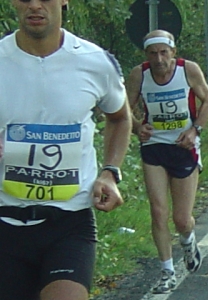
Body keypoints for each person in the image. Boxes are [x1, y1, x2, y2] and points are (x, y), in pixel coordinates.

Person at [0, 0, 132, 300]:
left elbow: (121, 117)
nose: (35, 5)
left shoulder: (95, 61)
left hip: (69, 221)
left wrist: (110, 172)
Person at [127, 29, 208, 294]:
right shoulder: (138, 75)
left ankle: (188, 240)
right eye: (153, 53)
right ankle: (167, 271)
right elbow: (123, 108)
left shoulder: (188, 70)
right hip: (154, 147)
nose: (159, 59)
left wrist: (194, 129)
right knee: (158, 211)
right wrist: (135, 127)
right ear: (146, 55)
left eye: (164, 52)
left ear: (173, 52)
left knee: (181, 219)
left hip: (183, 147)